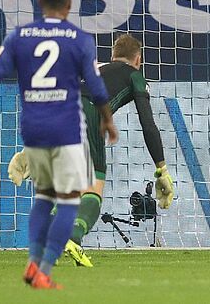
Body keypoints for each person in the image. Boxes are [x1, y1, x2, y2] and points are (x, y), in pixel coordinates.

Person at [0, 0, 119, 288]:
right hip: (66, 128)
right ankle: (44, 270)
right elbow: (96, 87)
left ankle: (32, 262)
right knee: (69, 200)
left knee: (43, 196)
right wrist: (107, 118)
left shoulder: (18, 36)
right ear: (68, 5)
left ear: (39, 2)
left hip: (33, 128)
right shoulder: (79, 39)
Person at [36, 34, 173, 267]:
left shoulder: (93, 67)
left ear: (112, 56)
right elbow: (148, 123)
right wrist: (162, 169)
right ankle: (72, 238)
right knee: (92, 192)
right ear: (138, 60)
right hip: (88, 112)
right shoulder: (134, 75)